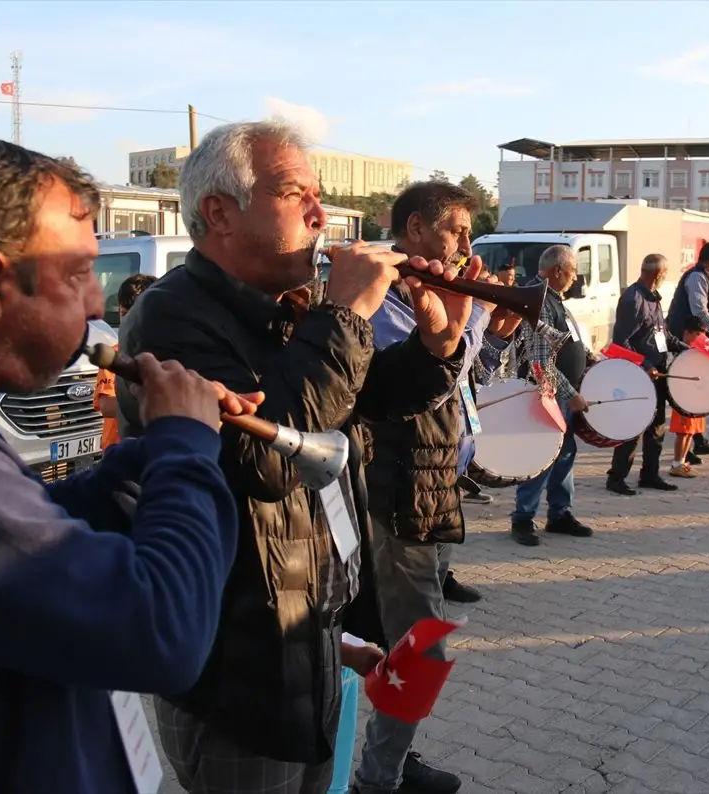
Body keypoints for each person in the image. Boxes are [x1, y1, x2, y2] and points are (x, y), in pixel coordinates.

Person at [0, 134, 253, 794]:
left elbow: (15, 549)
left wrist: (130, 468)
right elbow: (162, 634)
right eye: (79, 273)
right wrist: (187, 450)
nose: (93, 304)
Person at [117, 121, 472, 794]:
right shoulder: (171, 322)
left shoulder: (288, 307)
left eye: (319, 194)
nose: (321, 213)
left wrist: (437, 344)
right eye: (293, 193)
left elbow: (361, 401)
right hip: (237, 669)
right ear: (219, 213)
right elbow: (271, 457)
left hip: (308, 638)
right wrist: (346, 317)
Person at [355, 181, 520, 794]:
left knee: (410, 639)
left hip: (434, 482)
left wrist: (492, 331)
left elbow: (462, 376)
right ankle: (379, 778)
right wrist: (472, 315)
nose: (465, 245)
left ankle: (395, 756)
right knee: (420, 649)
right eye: (455, 231)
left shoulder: (431, 290)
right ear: (417, 229)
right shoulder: (379, 298)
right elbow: (421, 380)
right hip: (395, 493)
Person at [509, 245, 596, 546]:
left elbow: (568, 340)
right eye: (573, 272)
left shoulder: (556, 300)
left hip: (562, 394)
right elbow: (540, 361)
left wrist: (589, 357)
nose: (575, 279)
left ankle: (559, 513)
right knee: (543, 455)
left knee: (564, 454)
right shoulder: (540, 301)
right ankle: (523, 518)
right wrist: (571, 393)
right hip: (547, 395)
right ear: (559, 270)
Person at [605, 253, 683, 494]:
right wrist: (645, 365)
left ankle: (650, 474)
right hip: (639, 374)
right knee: (633, 426)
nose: (665, 278)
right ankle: (616, 477)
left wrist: (687, 349)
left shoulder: (655, 298)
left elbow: (663, 335)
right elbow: (621, 341)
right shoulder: (633, 298)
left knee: (657, 426)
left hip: (658, 373)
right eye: (665, 274)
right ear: (658, 274)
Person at [666, 241, 709, 456]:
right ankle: (684, 453)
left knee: (701, 389)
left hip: (695, 342)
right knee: (692, 392)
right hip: (686, 342)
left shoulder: (702, 277)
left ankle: (699, 441)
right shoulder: (697, 278)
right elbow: (700, 312)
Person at [94, 273, 157, 450]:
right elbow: (106, 406)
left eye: (133, 315)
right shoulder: (113, 355)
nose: (127, 322)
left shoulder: (165, 352)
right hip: (118, 449)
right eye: (123, 314)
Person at [666, 316, 709, 478]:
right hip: (683, 399)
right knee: (683, 432)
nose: (701, 338)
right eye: (698, 334)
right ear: (687, 333)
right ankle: (676, 463)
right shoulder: (681, 352)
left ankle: (682, 461)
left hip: (696, 398)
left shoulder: (697, 351)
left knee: (691, 431)